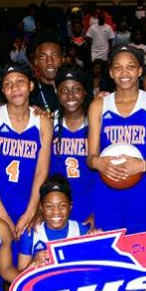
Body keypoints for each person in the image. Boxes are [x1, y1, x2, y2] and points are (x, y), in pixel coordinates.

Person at [87, 45, 146, 234]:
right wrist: (98, 163)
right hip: (106, 190)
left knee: (140, 246)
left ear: (139, 71)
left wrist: (141, 166)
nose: (124, 73)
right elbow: (90, 157)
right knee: (108, 245)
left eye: (130, 67)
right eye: (118, 67)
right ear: (111, 72)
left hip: (140, 189)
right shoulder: (98, 105)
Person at [0, 62, 53, 260]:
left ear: (30, 85)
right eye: (8, 84)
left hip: (29, 200)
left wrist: (30, 212)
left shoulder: (43, 121)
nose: (15, 88)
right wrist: (2, 216)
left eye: (20, 81)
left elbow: (41, 172)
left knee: (27, 263)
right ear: (3, 91)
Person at [50, 65, 96, 226]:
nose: (70, 95)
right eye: (64, 90)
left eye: (76, 89)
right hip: (57, 205)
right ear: (57, 92)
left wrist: (99, 210)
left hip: (91, 202)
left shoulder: (96, 122)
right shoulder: (49, 123)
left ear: (85, 91)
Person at [18, 176, 89, 270]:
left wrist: (100, 245)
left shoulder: (83, 231)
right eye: (49, 206)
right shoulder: (31, 234)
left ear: (70, 206)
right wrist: (32, 264)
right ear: (41, 207)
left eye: (62, 206)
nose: (56, 211)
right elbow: (21, 275)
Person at [30, 31, 64, 113]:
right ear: (36, 62)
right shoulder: (30, 93)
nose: (49, 61)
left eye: (55, 55)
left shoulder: (76, 85)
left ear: (63, 59)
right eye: (43, 57)